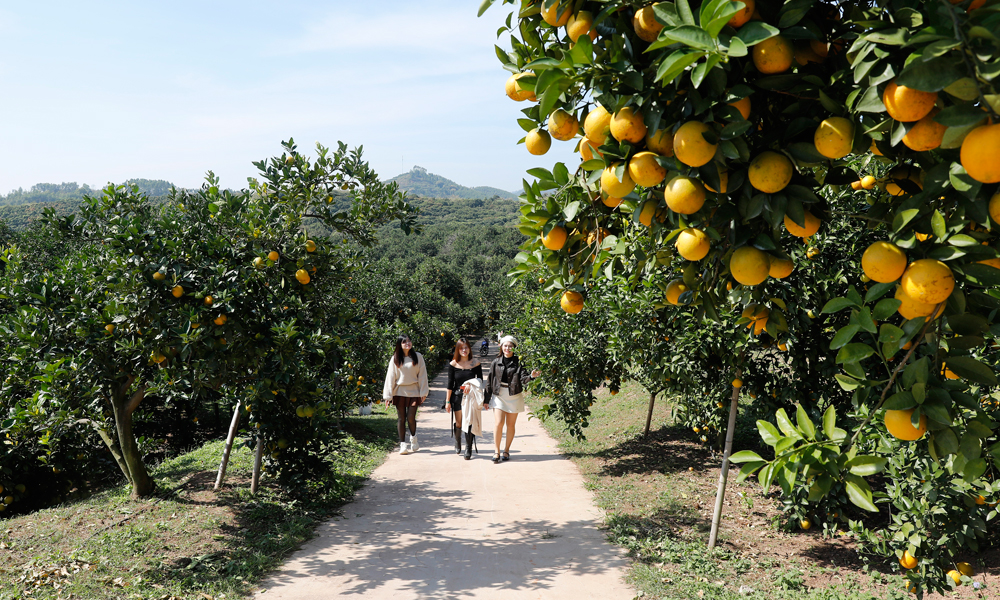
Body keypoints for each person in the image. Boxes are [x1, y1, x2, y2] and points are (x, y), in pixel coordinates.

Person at [483, 335, 541, 464]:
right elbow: (489, 381)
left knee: (510, 425)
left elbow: (523, 379)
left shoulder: (519, 362)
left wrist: (531, 376)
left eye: (510, 346)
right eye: (505, 345)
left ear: (514, 348)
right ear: (501, 347)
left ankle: (506, 450)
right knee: (498, 423)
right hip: (499, 394)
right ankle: (496, 451)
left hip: (514, 395)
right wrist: (486, 399)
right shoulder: (495, 362)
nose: (507, 348)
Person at [382, 334, 429, 455]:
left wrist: (423, 392)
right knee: (401, 419)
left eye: (409, 341)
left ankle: (413, 439)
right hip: (399, 392)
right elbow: (390, 377)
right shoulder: (395, 358)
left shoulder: (418, 357)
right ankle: (403, 445)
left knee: (411, 417)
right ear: (400, 344)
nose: (407, 343)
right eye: (404, 342)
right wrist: (388, 396)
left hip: (414, 391)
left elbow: (422, 375)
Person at [445, 338, 483, 455]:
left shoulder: (475, 363)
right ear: (458, 350)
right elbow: (450, 384)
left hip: (471, 397)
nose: (464, 350)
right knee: (460, 423)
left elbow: (480, 380)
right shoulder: (453, 364)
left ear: (469, 349)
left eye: (466, 347)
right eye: (461, 348)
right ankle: (457, 441)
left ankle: (468, 448)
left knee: (469, 422)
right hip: (458, 397)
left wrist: (470, 384)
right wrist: (447, 401)